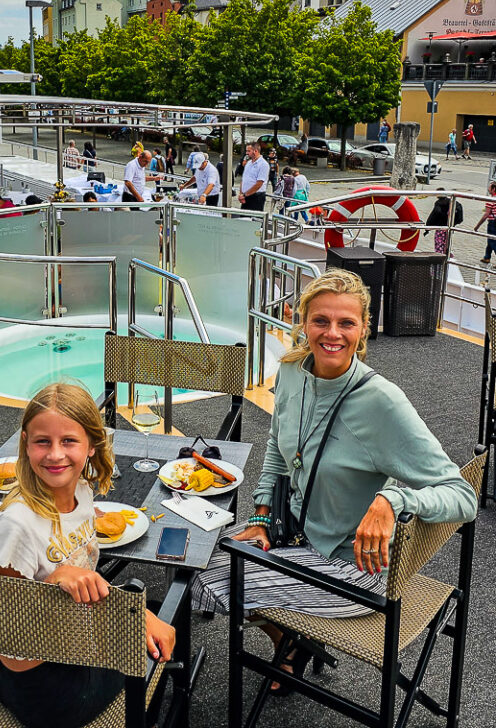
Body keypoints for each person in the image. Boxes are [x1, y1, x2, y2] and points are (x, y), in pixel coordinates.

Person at [192, 269, 477, 690]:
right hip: (292, 533)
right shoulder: (291, 371)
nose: (332, 334)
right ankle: (291, 638)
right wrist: (263, 514)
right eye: (321, 321)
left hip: (350, 566)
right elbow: (277, 444)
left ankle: (290, 639)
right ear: (302, 321)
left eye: (346, 323)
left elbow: (463, 496)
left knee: (202, 582)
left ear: (363, 329)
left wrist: (393, 503)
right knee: (189, 555)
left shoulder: (382, 402)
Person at [0, 382, 175, 728]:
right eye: (43, 441)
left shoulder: (83, 492)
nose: (55, 454)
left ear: (91, 445)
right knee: (161, 638)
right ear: (26, 444)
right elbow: (7, 642)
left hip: (73, 641)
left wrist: (130, 616)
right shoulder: (17, 525)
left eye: (69, 441)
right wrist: (57, 582)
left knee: (157, 619)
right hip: (42, 687)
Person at [237, 141, 269, 211]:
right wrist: (241, 194)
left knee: (254, 220)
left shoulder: (263, 164)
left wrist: (245, 195)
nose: (246, 153)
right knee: (243, 219)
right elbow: (243, 179)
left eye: (248, 151)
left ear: (255, 151)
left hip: (256, 197)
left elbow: (259, 184)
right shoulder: (248, 163)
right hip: (245, 196)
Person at [475, 182, 496, 264]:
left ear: (493, 189)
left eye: (490, 187)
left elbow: (486, 214)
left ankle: (487, 257)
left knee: (492, 241)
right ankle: (487, 257)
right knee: (491, 239)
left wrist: (477, 226)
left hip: (493, 223)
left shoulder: (491, 200)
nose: (488, 189)